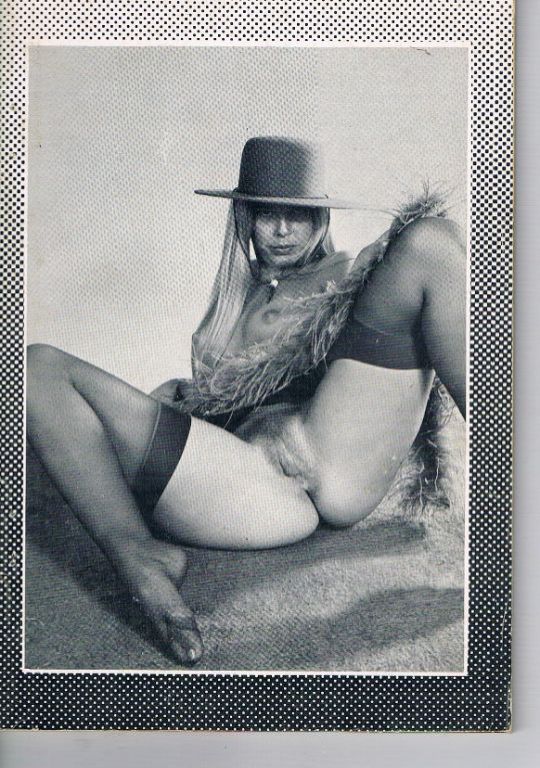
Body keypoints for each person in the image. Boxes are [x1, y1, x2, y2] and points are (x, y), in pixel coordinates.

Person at [26, 137, 466, 666]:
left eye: (296, 215)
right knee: (38, 365)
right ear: (244, 218)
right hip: (251, 491)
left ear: (321, 218)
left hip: (329, 460)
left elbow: (379, 343)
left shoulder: (346, 276)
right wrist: (179, 398)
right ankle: (138, 554)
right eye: (265, 214)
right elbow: (219, 406)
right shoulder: (233, 302)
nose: (281, 230)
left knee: (431, 241)